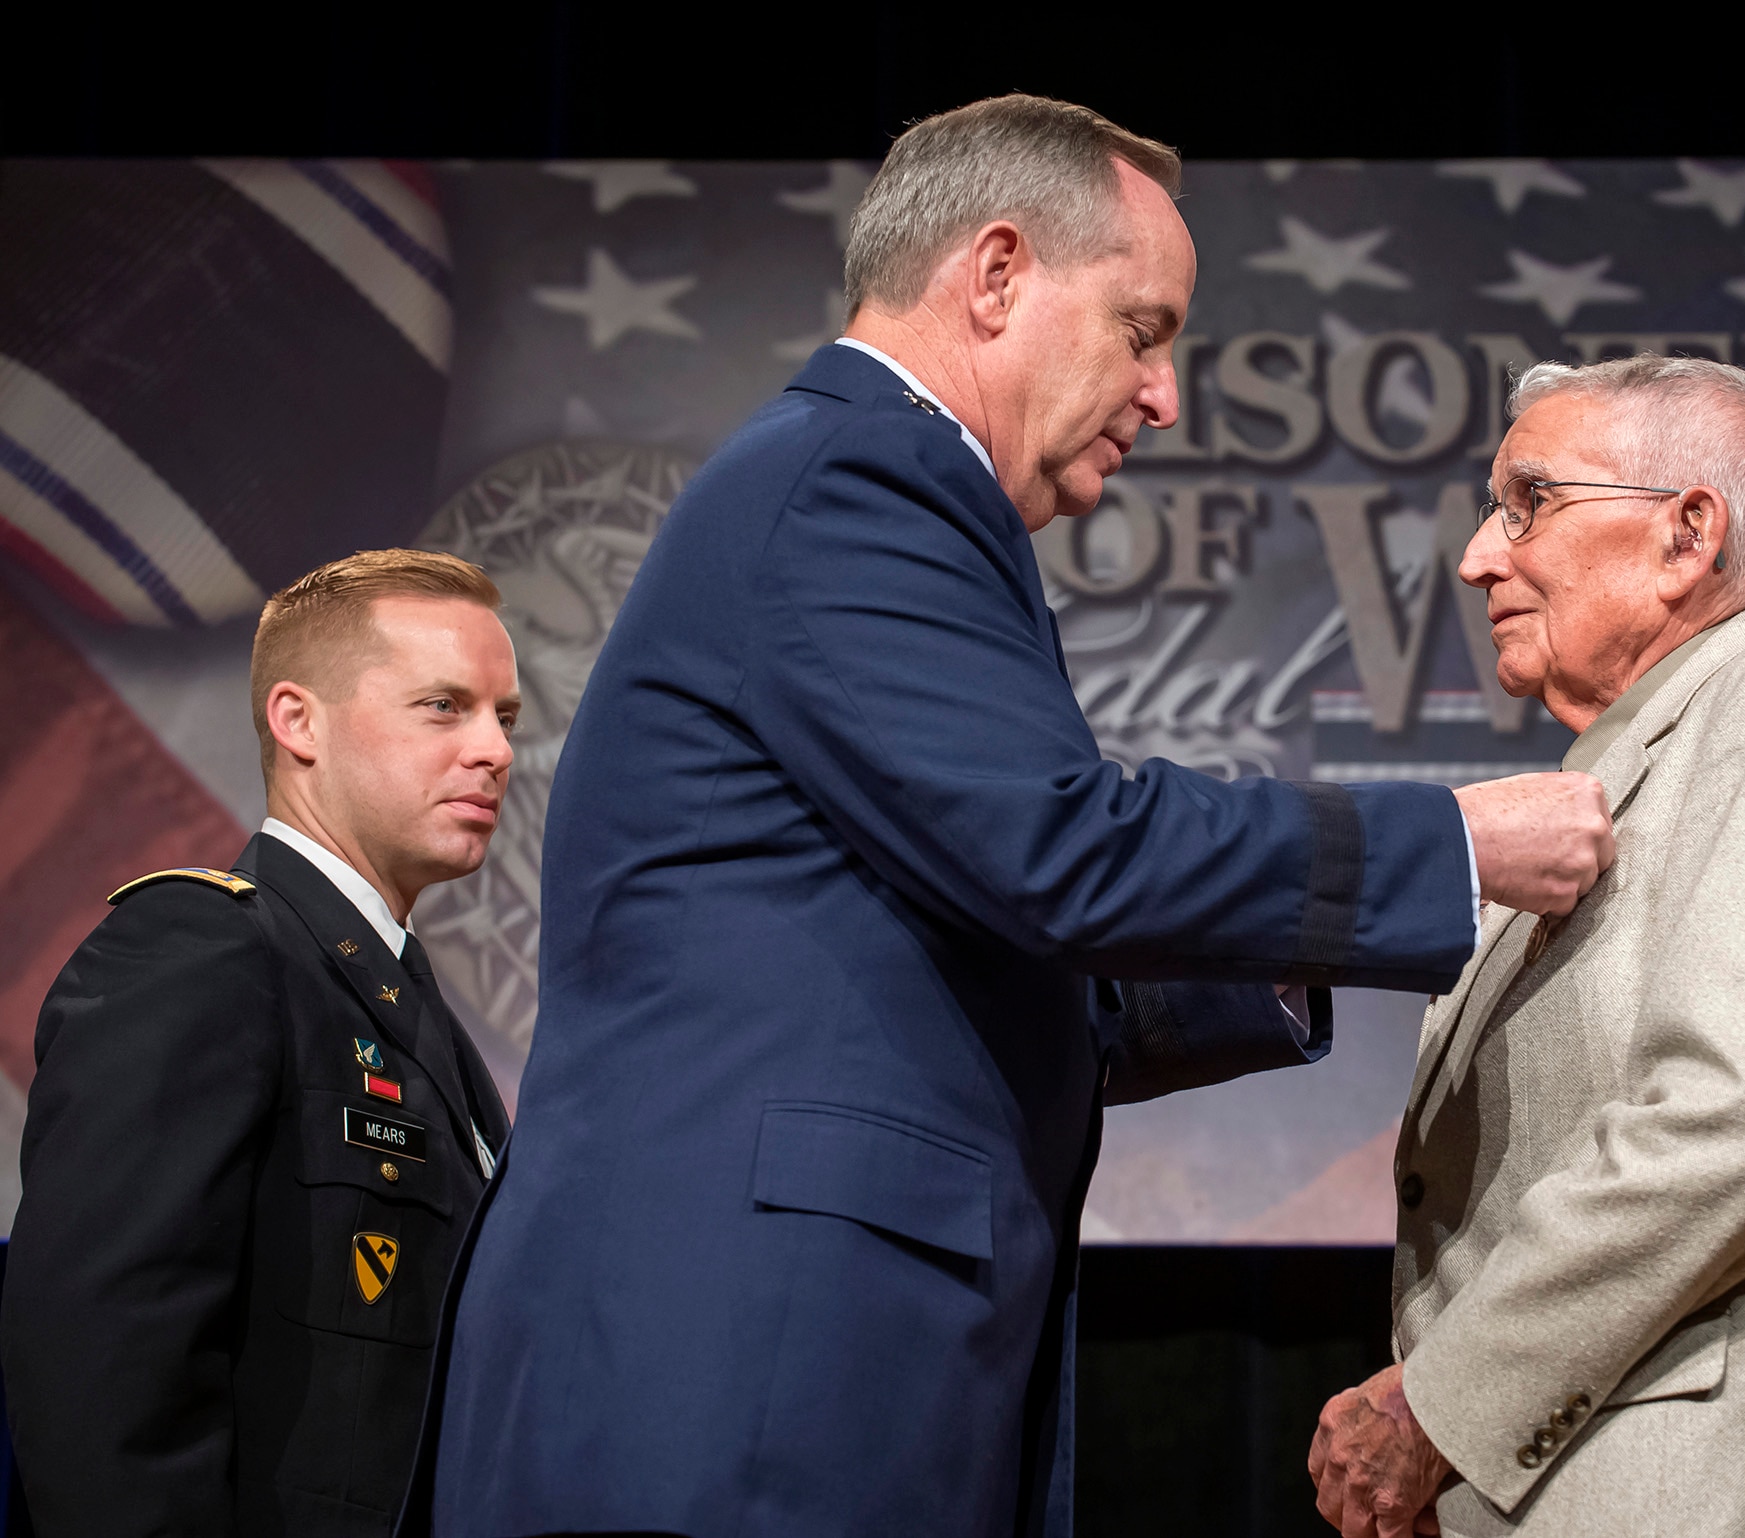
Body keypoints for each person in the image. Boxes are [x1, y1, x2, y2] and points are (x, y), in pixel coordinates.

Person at [420, 96, 1614, 1538]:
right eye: (1144, 327)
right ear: (995, 277)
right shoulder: (863, 477)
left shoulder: (868, 488)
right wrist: (1458, 845)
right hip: (734, 1387)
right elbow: (1063, 851)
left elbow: (1007, 955)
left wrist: (1277, 958)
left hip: (789, 1379)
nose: (1165, 393)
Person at [1306, 355, 1745, 1538]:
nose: (1477, 556)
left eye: (1528, 501)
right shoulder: (1613, 773)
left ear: (1684, 532)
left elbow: (1742, 1114)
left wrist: (1440, 1402)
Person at [2, 550, 518, 1536]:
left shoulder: (408, 1010)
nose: (494, 749)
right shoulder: (203, 946)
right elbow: (99, 1357)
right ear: (298, 721)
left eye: (506, 716)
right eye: (444, 706)